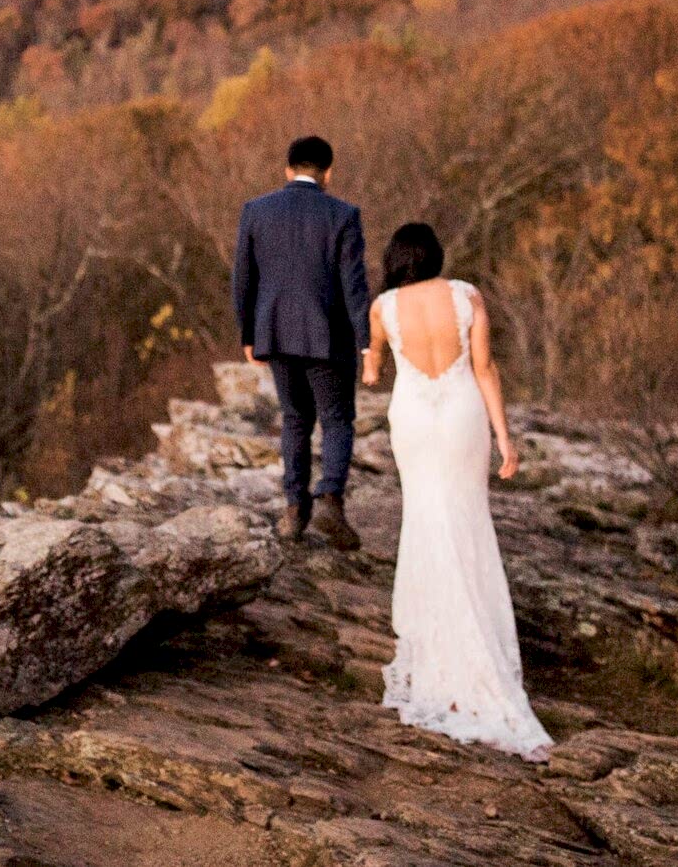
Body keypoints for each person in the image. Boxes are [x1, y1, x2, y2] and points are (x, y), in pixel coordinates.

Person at [363, 220, 552, 759]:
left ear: (397, 259)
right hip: (464, 413)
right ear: (436, 254)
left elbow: (374, 370)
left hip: (415, 421)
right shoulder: (467, 295)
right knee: (467, 521)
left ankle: (438, 654)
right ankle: (481, 653)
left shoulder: (384, 307)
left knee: (425, 521)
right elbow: (486, 368)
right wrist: (505, 440)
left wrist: (370, 360)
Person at [232, 134, 371, 548]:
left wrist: (248, 334)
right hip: (328, 334)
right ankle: (330, 495)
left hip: (273, 331)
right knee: (336, 417)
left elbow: (243, 278)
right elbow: (354, 285)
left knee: (294, 418)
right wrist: (367, 342)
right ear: (329, 172)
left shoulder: (256, 211)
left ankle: (294, 508)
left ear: (287, 169)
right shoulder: (343, 215)